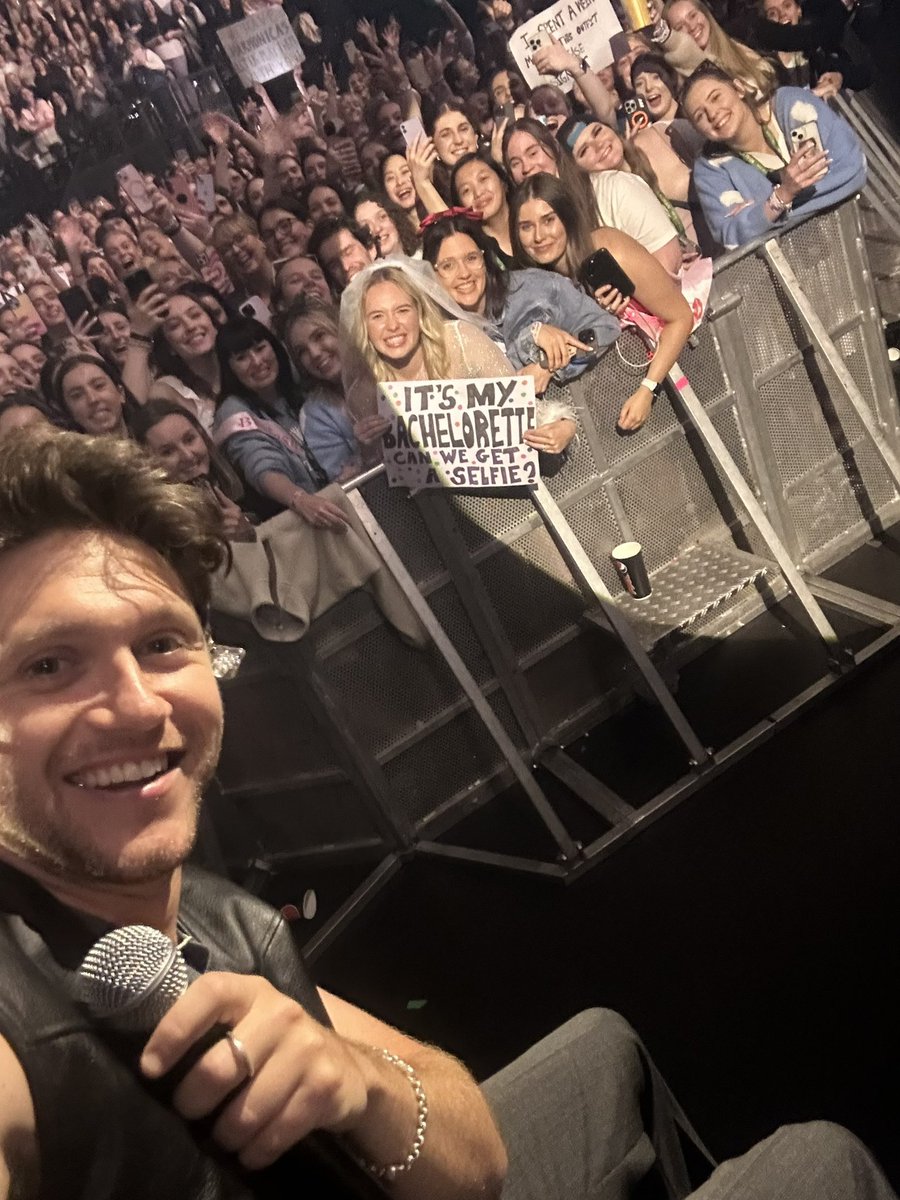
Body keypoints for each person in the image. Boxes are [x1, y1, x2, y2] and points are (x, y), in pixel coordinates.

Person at [510, 173, 694, 432]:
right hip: (611, 414)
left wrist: (648, 390)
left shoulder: (609, 248)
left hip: (675, 386)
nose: (539, 236)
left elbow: (681, 317)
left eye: (548, 220)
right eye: (526, 227)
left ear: (567, 217)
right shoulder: (536, 284)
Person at [344, 260, 578, 456]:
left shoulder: (461, 342)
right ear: (364, 326)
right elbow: (389, 479)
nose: (392, 325)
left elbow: (522, 410)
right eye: (377, 316)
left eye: (402, 310)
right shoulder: (363, 392)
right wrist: (368, 447)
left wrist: (563, 425)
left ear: (420, 312)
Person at [421, 212, 620, 397]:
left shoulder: (535, 288)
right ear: (432, 275)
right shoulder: (437, 336)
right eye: (448, 266)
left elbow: (606, 327)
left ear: (485, 258)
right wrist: (529, 339)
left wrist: (549, 365)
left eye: (471, 258)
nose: (464, 273)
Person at [682, 64, 867, 250]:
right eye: (700, 116)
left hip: (864, 230)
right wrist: (782, 195)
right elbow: (732, 238)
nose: (712, 114)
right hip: (799, 268)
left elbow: (852, 169)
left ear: (738, 88)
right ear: (698, 130)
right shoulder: (709, 169)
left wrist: (768, 212)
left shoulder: (790, 104)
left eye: (716, 97)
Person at [213, 314, 350, 528]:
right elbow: (260, 466)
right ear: (229, 369)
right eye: (242, 357)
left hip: (345, 500)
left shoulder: (299, 386)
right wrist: (299, 499)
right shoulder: (233, 411)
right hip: (303, 523)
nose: (257, 362)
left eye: (260, 348)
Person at [557, 116, 684, 275]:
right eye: (584, 150)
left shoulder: (648, 151)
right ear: (577, 171)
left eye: (597, 131)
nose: (598, 145)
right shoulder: (603, 207)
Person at [131, 397, 257, 540]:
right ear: (148, 466)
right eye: (168, 452)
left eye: (189, 439)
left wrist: (247, 531)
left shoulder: (239, 475)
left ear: (201, 434)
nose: (188, 456)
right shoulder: (159, 530)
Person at [277, 297, 363, 482]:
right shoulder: (316, 413)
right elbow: (348, 481)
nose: (314, 353)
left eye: (319, 336)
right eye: (302, 351)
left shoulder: (384, 364)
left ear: (340, 328)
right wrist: (364, 447)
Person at [664, 0, 779, 97]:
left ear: (705, 13)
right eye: (680, 27)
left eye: (693, 16)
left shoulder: (737, 46)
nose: (691, 27)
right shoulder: (689, 84)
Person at [50, 352, 133, 437]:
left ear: (121, 393)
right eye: (77, 395)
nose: (92, 399)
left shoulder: (146, 436)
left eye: (99, 386)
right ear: (69, 412)